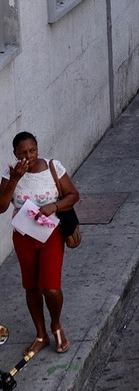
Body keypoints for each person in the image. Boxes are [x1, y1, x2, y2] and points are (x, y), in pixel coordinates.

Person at [0, 132, 80, 356]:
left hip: (51, 235)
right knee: (32, 286)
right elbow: (1, 206)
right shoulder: (10, 174)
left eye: (32, 150)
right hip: (24, 238)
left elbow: (73, 195)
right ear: (15, 154)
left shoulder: (53, 167)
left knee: (51, 288)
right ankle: (41, 334)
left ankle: (56, 325)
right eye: (23, 153)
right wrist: (15, 178)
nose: (29, 156)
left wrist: (54, 206)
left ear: (37, 147)